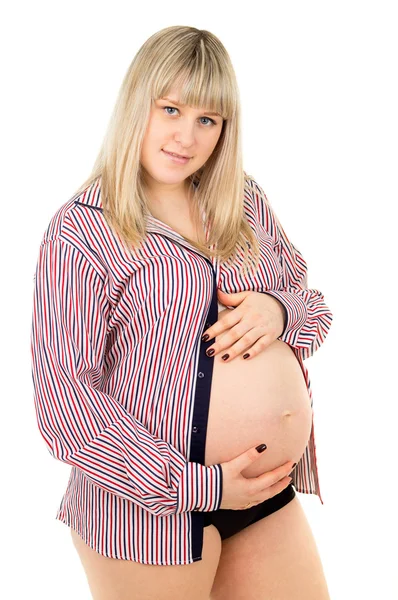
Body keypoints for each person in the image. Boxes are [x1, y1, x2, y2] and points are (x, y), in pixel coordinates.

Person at [31, 25, 333, 600]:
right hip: (145, 517)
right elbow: (64, 407)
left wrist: (278, 312)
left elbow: (313, 307)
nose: (185, 137)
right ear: (136, 105)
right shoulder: (82, 232)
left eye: (207, 119)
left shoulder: (242, 200)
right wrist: (202, 485)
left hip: (264, 495)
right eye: (170, 109)